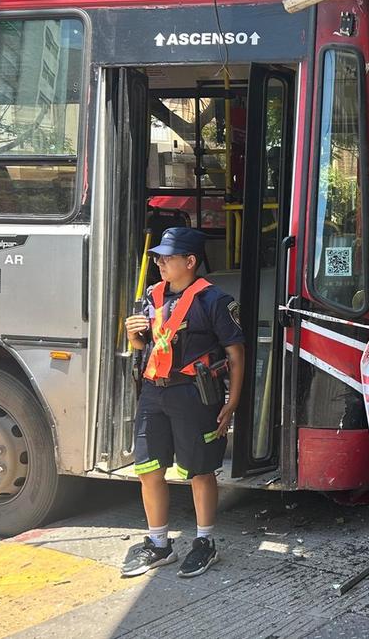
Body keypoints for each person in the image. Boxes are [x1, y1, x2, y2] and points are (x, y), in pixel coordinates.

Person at [120, 227, 245, 578]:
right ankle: (159, 544)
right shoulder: (152, 295)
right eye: (158, 256)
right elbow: (146, 347)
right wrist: (135, 337)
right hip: (153, 392)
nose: (160, 262)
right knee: (149, 469)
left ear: (190, 261)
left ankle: (205, 542)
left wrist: (232, 402)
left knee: (200, 470)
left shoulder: (214, 300)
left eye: (167, 257)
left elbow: (236, 353)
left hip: (194, 394)